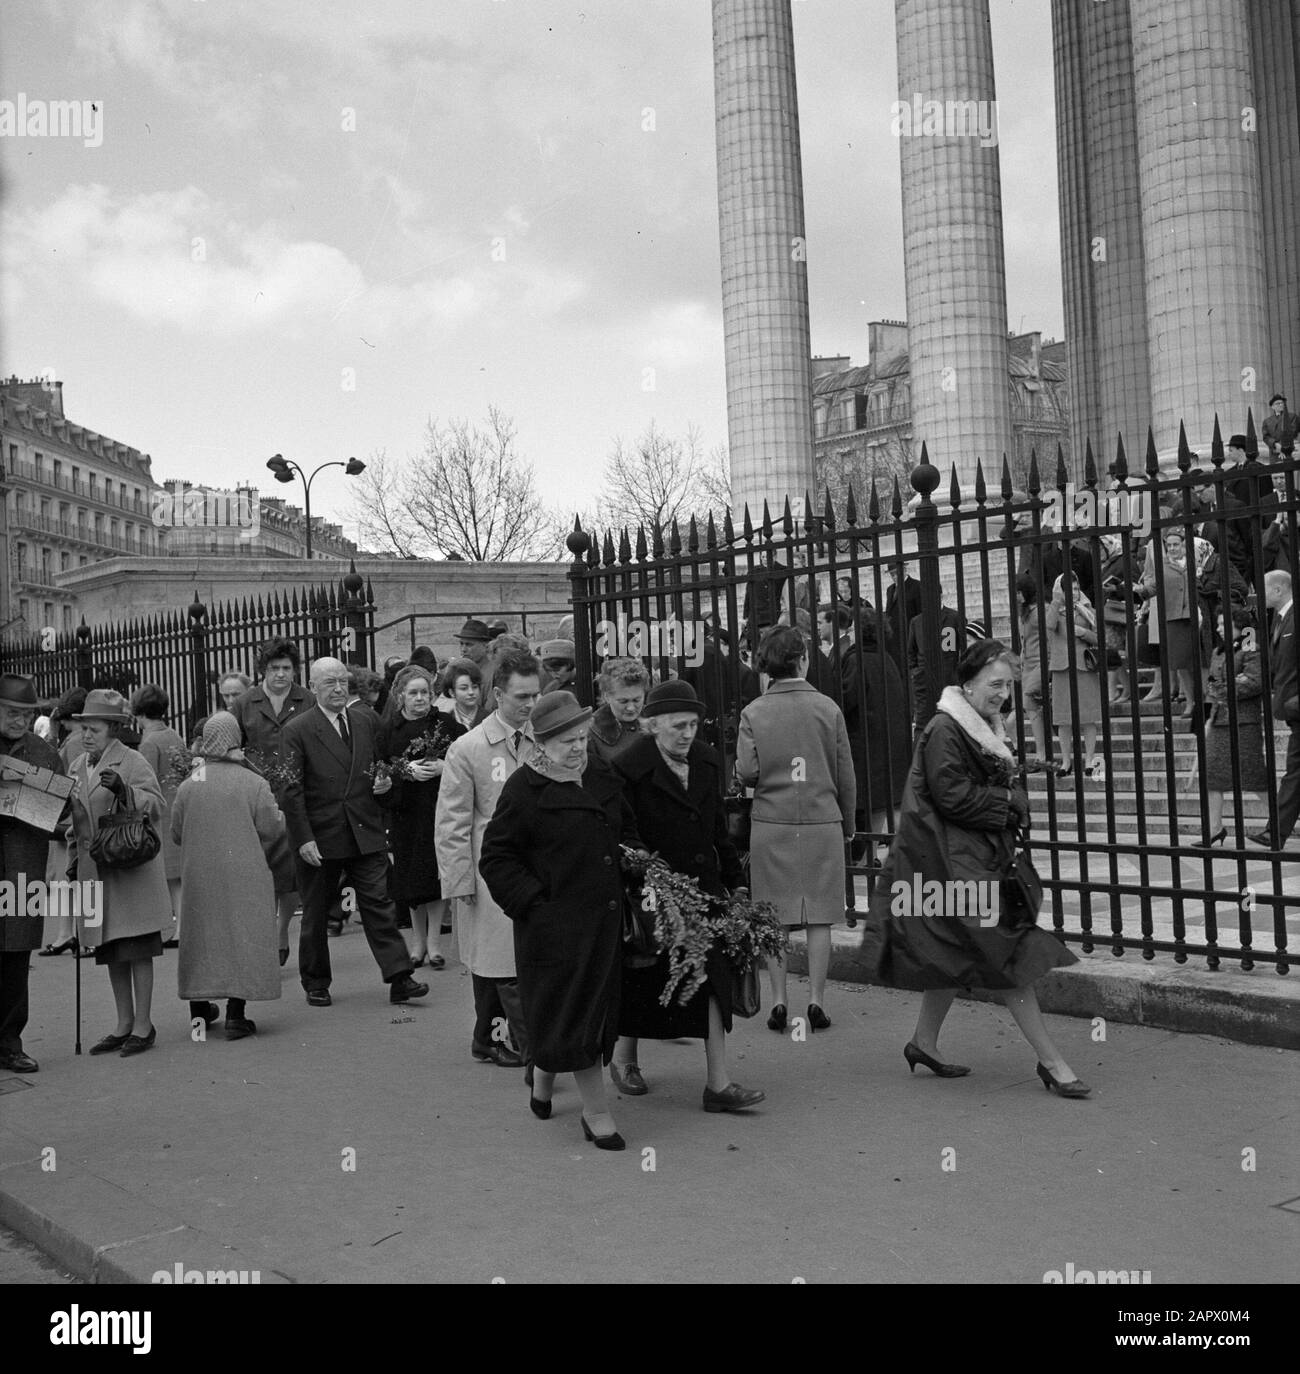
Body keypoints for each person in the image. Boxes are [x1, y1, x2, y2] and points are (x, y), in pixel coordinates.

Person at [860, 640, 1089, 1097]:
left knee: (957, 952)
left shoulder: (975, 724)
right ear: (967, 684)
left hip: (957, 863)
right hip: (953, 867)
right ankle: (1053, 1062)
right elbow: (951, 797)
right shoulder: (948, 729)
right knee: (1009, 957)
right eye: (994, 683)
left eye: (1008, 684)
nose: (1003, 692)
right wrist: (1007, 801)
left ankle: (923, 1042)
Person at [480, 691, 644, 1150]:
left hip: (605, 923)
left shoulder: (601, 775)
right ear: (541, 743)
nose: (577, 748)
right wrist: (536, 904)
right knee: (577, 1017)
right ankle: (596, 1112)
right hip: (555, 930)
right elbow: (496, 857)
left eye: (581, 738)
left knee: (580, 1016)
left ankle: (544, 1080)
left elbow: (627, 831)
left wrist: (635, 861)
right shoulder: (524, 790)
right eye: (566, 741)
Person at [612, 681, 765, 1113]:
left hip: (704, 889)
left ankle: (718, 1084)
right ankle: (625, 1059)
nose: (687, 733)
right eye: (678, 726)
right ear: (652, 725)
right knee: (644, 979)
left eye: (694, 725)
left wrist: (735, 884)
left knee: (712, 978)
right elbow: (624, 833)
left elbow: (719, 830)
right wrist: (645, 868)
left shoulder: (706, 760)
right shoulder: (627, 768)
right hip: (653, 897)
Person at [279, 657, 427, 1008]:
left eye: (343, 681)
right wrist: (303, 838)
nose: (338, 688)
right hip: (321, 835)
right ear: (313, 687)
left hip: (364, 829)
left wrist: (385, 782)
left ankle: (400, 977)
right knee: (316, 911)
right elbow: (290, 790)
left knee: (379, 903)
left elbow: (381, 765)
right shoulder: (297, 730)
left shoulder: (365, 719)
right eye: (329, 682)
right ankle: (315, 981)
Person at [734, 628, 854, 1031]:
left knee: (775, 916)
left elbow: (747, 771)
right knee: (819, 917)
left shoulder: (754, 712)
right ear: (803, 659)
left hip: (772, 820)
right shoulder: (828, 708)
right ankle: (817, 1000)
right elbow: (845, 774)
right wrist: (848, 824)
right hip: (821, 819)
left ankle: (780, 1000)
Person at [434, 649, 541, 1069]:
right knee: (497, 959)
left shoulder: (543, 738)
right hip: (489, 868)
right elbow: (452, 820)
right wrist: (459, 880)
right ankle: (524, 1047)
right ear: (498, 695)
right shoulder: (468, 748)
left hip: (537, 864)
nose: (530, 705)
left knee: (514, 958)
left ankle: (487, 1037)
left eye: (534, 695)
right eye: (520, 697)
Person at [67, 689, 173, 1058]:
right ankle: (123, 1024)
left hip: (130, 868)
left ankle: (144, 1025)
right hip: (95, 869)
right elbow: (76, 819)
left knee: (138, 948)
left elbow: (157, 805)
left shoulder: (132, 760)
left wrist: (126, 791)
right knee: (112, 949)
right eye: (84, 728)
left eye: (94, 728)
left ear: (112, 728)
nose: (87, 735)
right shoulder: (77, 765)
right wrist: (70, 841)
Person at [172, 713, 286, 1039]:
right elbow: (272, 827)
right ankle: (236, 1015)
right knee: (241, 936)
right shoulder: (253, 782)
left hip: (199, 875)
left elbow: (177, 832)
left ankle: (199, 1015)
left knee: (201, 937)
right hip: (244, 873)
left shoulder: (191, 783)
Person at [230, 637, 314, 965]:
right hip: (255, 796)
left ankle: (280, 932)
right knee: (260, 870)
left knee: (290, 870)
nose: (281, 674)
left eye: (287, 668)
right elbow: (231, 741)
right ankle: (264, 935)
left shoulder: (306, 700)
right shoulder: (245, 703)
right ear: (262, 670)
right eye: (274, 668)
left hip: (295, 797)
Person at [376, 666, 466, 969]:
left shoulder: (445, 724)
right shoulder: (389, 728)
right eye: (413, 693)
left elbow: (465, 756)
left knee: (435, 873)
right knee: (411, 876)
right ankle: (417, 941)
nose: (420, 698)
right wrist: (404, 772)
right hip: (405, 811)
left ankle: (434, 943)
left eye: (425, 692)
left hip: (438, 807)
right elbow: (379, 770)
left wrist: (444, 767)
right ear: (402, 695)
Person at [0, 674, 65, 1073]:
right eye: (11, 712)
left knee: (16, 955)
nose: (20, 720)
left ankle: (10, 1041)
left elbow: (56, 815)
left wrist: (17, 796)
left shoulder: (43, 752)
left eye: (26, 714)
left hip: (23, 863)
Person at [1193, 608, 1268, 847]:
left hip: (1244, 722)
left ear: (1239, 625)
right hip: (1218, 720)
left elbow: (1254, 682)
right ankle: (1215, 829)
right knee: (1212, 777)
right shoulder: (1218, 651)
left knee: (1253, 776)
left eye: (1224, 623)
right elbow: (1211, 686)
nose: (1218, 628)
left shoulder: (1250, 646)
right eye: (1218, 623)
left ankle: (1279, 821)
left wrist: (1223, 688)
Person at [131, 685, 186, 947]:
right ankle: (181, 926)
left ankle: (174, 927)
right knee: (177, 877)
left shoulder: (149, 742)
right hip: (177, 807)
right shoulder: (174, 735)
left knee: (167, 874)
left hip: (160, 813)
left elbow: (145, 780)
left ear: (139, 713)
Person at [36, 686, 88, 958]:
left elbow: (50, 768)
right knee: (64, 879)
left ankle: (71, 933)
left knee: (67, 878)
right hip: (67, 818)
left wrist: (54, 735)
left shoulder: (76, 740)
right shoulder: (77, 739)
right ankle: (68, 933)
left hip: (67, 818)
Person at [1250, 571, 1299, 848]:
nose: (1258, 596)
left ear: (1279, 589)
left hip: (1296, 705)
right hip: (1291, 708)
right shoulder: (1279, 619)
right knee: (1295, 772)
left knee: (1295, 772)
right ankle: (1275, 831)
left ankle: (1275, 831)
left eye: (1264, 590)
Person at [1138, 527, 1208, 717]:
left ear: (1184, 545)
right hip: (1174, 617)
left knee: (1202, 660)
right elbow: (1152, 588)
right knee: (1181, 663)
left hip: (1199, 616)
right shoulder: (1162, 565)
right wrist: (1141, 590)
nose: (1172, 548)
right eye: (1169, 545)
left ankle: (1206, 700)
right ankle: (1191, 702)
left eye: (1176, 544)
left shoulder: (1197, 561)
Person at [1043, 573, 1104, 777]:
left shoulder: (1088, 610)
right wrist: (1056, 601)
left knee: (1088, 717)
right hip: (1061, 668)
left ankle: (1089, 759)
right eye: (1070, 589)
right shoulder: (1055, 609)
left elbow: (1100, 638)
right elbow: (1048, 627)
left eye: (1077, 589)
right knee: (1063, 719)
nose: (1075, 593)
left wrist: (1083, 633)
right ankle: (1066, 761)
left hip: (1084, 666)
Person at [587, 657, 649, 768]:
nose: (631, 708)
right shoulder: (591, 732)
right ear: (606, 696)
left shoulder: (656, 720)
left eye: (637, 700)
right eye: (623, 701)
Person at [1016, 575, 1048, 761]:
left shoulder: (1040, 611)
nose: (1017, 596)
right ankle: (1042, 751)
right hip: (1028, 663)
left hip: (1042, 661)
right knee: (1030, 705)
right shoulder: (1025, 611)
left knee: (1029, 699)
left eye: (1019, 592)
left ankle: (1042, 754)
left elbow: (1049, 637)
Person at [435, 658, 483, 734]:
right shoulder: (443, 723)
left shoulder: (491, 719)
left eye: (475, 687)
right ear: (452, 692)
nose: (471, 692)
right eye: (464, 688)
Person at [1262, 393, 1298, 461]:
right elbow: (1266, 437)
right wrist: (1275, 444)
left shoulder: (1292, 416)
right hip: (1274, 453)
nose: (1281, 405)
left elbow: (1293, 432)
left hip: (1290, 451)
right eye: (1277, 403)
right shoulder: (1267, 421)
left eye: (1282, 403)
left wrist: (1282, 446)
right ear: (1272, 406)